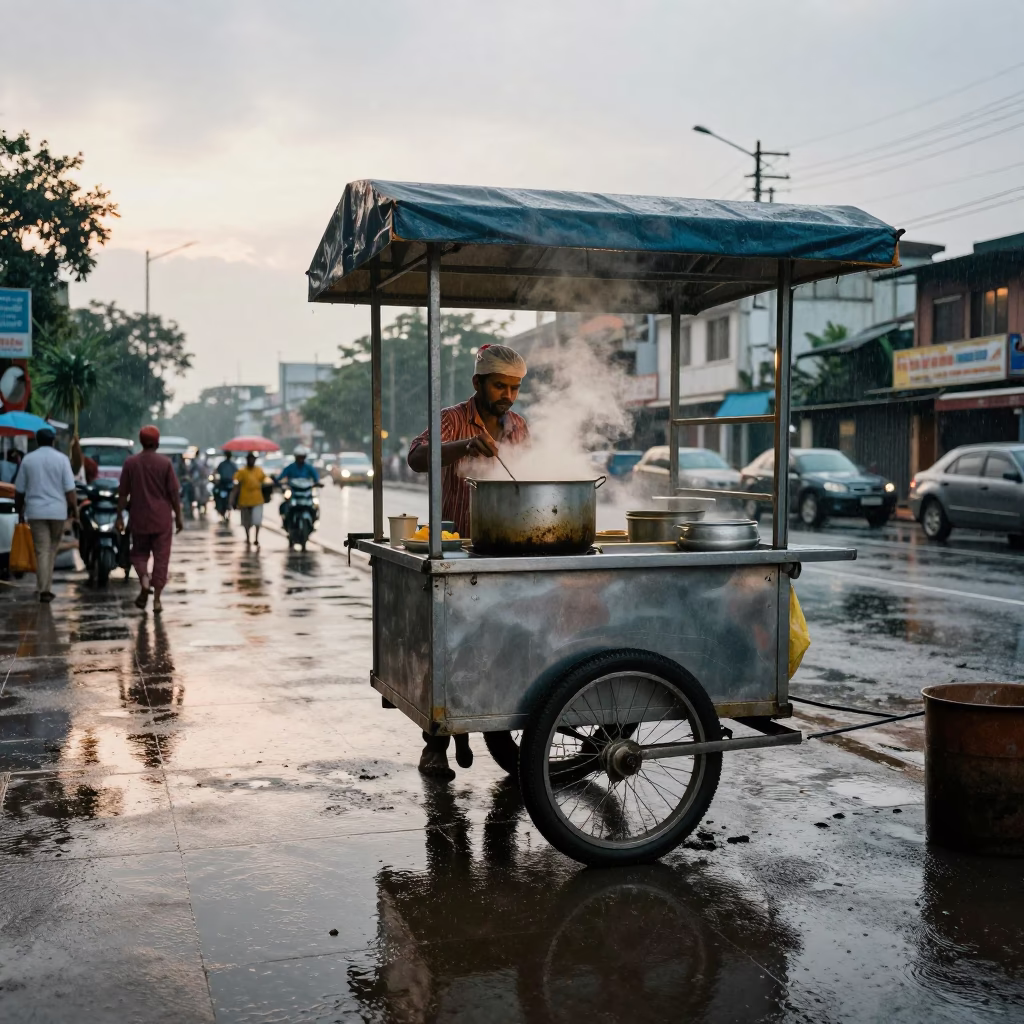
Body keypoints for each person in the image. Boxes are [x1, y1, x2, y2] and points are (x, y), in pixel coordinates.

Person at [406, 344, 530, 777]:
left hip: (504, 549)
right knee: (449, 648)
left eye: (514, 387)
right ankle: (437, 743)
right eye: (500, 385)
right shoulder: (452, 418)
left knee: (504, 646)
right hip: (456, 550)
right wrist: (461, 446)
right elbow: (416, 457)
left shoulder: (518, 426)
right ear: (478, 383)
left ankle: (498, 727)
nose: (508, 396)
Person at [116, 425, 183, 613]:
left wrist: (119, 515)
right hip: (162, 519)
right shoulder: (165, 463)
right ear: (157, 442)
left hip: (139, 517)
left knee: (138, 554)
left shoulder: (131, 463)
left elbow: (123, 494)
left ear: (141, 441)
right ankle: (157, 600)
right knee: (162, 559)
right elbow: (173, 494)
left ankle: (145, 582)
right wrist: (178, 517)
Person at [14, 427, 78, 603]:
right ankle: (44, 588)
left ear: (37, 441)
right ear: (53, 441)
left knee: (42, 550)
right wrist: (74, 510)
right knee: (51, 549)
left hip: (36, 511)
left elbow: (19, 491)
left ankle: (43, 587)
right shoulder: (62, 459)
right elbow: (70, 490)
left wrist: (18, 510)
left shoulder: (28, 460)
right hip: (58, 512)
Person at [231, 452, 267, 546]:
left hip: (257, 499)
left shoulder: (259, 471)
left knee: (257, 521)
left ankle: (256, 538)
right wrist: (233, 499)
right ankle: (247, 538)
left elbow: (265, 482)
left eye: (253, 459)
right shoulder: (242, 472)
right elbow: (236, 485)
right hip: (245, 500)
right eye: (250, 459)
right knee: (246, 522)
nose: (251, 461)